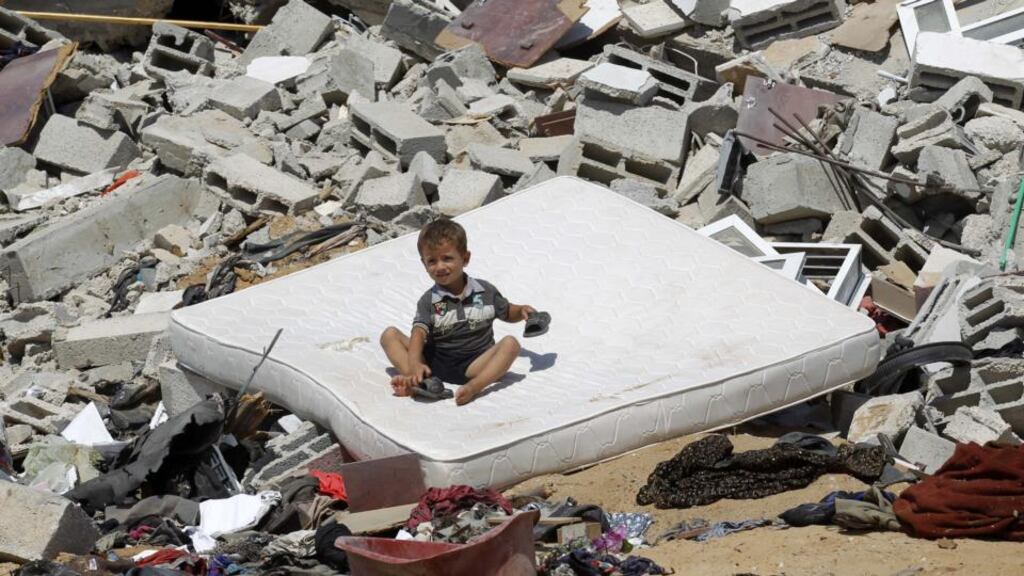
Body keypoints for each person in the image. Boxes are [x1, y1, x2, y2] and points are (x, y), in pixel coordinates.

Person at [379, 219, 535, 405]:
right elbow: (418, 334)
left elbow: (507, 312)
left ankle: (474, 388)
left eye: (447, 258)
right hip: (434, 363)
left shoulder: (485, 291)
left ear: (465, 258)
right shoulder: (429, 300)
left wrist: (522, 311)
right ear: (424, 264)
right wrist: (415, 364)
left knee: (511, 344)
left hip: (474, 365)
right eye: (432, 261)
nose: (440, 267)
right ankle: (419, 381)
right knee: (389, 335)